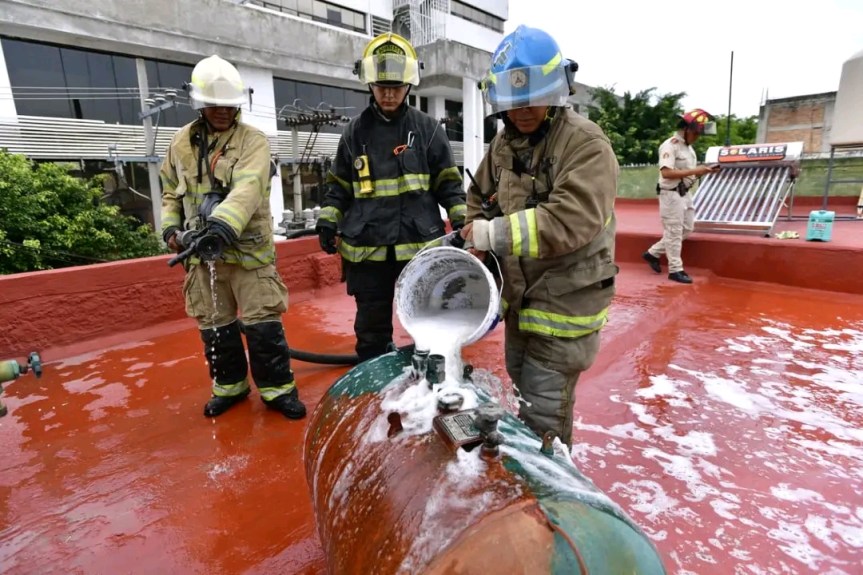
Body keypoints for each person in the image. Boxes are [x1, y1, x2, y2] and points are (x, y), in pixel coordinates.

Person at [459, 25, 619, 447]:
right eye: (512, 103)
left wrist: (489, 233)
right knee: (521, 392)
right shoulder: (503, 145)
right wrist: (476, 239)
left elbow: (571, 220)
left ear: (555, 92)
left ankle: (553, 502)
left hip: (564, 308)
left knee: (543, 414)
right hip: (520, 304)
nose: (522, 111)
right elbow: (478, 197)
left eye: (531, 99)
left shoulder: (586, 144)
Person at [160, 55, 306, 420]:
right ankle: (230, 387)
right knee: (215, 326)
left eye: (229, 104)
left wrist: (222, 227)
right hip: (202, 256)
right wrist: (171, 231)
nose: (222, 110)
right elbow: (169, 193)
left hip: (249, 255)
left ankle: (277, 392)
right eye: (214, 103)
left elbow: (249, 188)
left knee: (262, 325)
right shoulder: (179, 144)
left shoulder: (253, 141)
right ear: (200, 103)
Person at [315, 33, 466, 362]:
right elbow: (339, 186)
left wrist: (461, 220)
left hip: (419, 248)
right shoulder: (354, 132)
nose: (388, 93)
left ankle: (433, 389)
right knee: (371, 333)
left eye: (396, 86)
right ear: (369, 84)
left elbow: (449, 184)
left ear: (409, 85)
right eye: (382, 85)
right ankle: (374, 394)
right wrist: (328, 218)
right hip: (367, 253)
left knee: (432, 324)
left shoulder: (427, 130)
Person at [642, 109, 720, 284]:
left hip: (685, 193)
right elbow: (667, 173)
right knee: (674, 232)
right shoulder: (670, 145)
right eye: (696, 133)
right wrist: (696, 170)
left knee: (687, 228)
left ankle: (653, 253)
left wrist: (705, 170)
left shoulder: (688, 148)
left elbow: (687, 172)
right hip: (671, 195)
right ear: (687, 129)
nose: (697, 137)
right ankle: (675, 270)